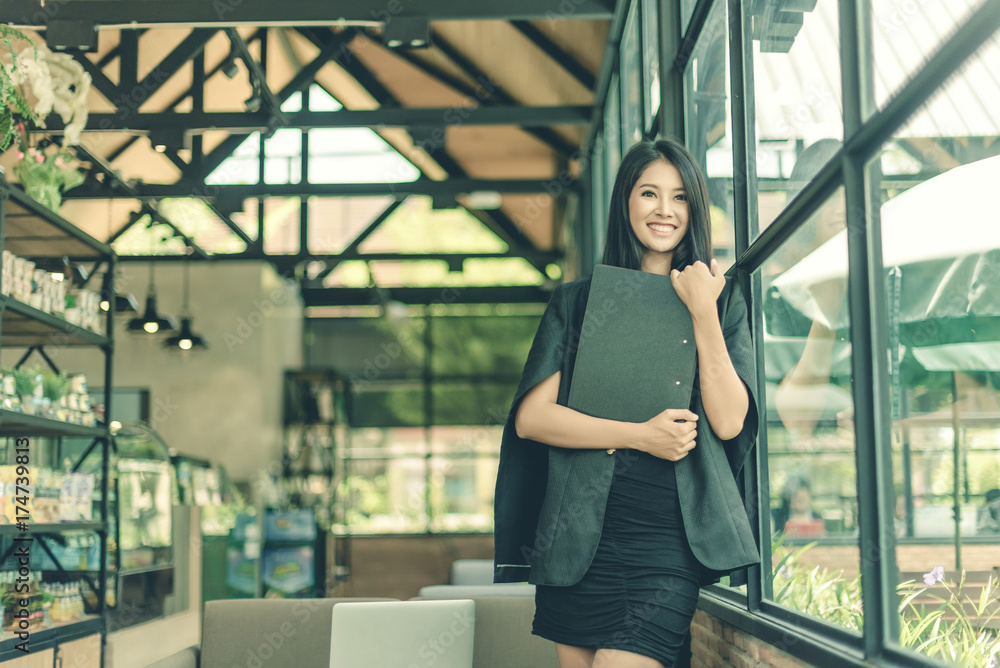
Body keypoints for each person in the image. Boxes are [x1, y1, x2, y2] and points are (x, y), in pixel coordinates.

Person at [493, 137, 760, 668]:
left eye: (680, 197)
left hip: (667, 540)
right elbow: (532, 419)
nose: (665, 210)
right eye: (649, 193)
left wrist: (703, 310)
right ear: (625, 202)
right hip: (577, 533)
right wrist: (639, 435)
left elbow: (730, 423)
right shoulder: (577, 301)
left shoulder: (723, 301)